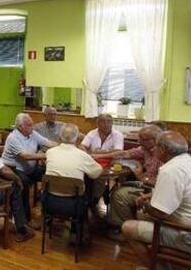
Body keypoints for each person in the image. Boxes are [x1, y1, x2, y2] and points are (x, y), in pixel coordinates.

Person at [122, 131, 191, 268]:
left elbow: (160, 213)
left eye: (156, 146)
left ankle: (159, 267)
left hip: (185, 233)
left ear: (163, 150)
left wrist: (145, 203)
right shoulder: (186, 162)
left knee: (127, 227)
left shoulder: (170, 170)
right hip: (185, 223)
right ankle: (160, 261)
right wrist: (151, 196)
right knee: (141, 215)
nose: (153, 149)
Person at [92, 125, 163, 237]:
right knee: (118, 187)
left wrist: (141, 176)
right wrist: (98, 155)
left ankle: (127, 229)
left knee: (118, 194)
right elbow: (125, 153)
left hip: (156, 190)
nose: (139, 141)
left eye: (142, 139)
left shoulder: (162, 155)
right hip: (147, 184)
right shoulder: (145, 149)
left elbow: (161, 184)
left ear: (154, 141)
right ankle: (118, 223)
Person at [45, 124, 102, 240]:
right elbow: (97, 172)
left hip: (49, 202)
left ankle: (50, 223)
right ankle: (76, 233)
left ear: (60, 137)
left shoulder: (50, 152)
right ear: (77, 138)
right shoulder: (81, 155)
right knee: (85, 195)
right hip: (74, 205)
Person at [2, 113, 57, 226]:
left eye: (32, 124)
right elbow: (25, 156)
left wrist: (64, 147)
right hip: (13, 170)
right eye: (29, 125)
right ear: (20, 127)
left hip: (29, 169)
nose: (33, 127)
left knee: (51, 174)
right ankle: (26, 220)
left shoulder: (32, 133)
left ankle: (50, 211)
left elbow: (48, 142)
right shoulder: (13, 137)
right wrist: (46, 155)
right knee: (24, 184)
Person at [80, 114, 124, 205]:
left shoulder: (117, 134)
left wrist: (100, 153)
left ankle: (95, 198)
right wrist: (88, 154)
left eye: (109, 121)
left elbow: (118, 152)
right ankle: (87, 196)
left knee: (99, 174)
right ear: (97, 123)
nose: (106, 124)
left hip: (111, 162)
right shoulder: (92, 133)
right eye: (103, 121)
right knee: (84, 172)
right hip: (93, 160)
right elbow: (82, 146)